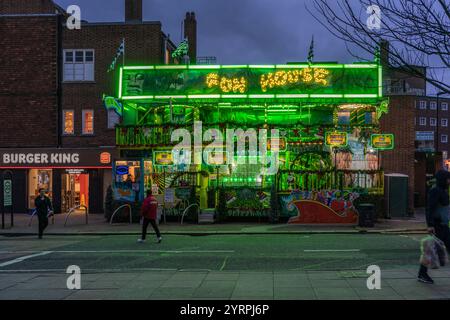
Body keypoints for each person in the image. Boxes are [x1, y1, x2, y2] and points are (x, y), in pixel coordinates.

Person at [418, 169, 450, 284]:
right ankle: (422, 274)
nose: (449, 181)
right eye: (447, 179)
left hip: (443, 225)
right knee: (429, 251)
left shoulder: (442, 190)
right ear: (443, 179)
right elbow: (430, 208)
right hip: (438, 225)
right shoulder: (436, 191)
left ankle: (422, 274)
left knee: (431, 250)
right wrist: (430, 225)